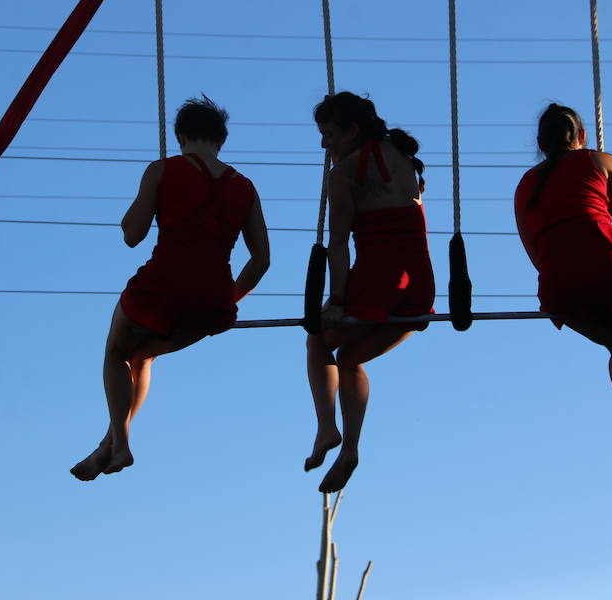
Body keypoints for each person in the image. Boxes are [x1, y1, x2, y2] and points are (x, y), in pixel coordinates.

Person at [70, 96, 269, 481]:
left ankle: (122, 444)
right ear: (221, 140)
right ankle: (107, 444)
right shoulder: (244, 187)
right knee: (143, 358)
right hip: (212, 299)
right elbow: (261, 260)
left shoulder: (163, 170)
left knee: (117, 351)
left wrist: (143, 198)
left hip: (163, 283)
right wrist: (229, 298)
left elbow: (132, 235)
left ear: (180, 136)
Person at [514, 103, 612, 481]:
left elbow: (533, 251)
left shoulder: (524, 185)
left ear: (540, 143)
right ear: (581, 136)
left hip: (559, 283)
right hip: (611, 263)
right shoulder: (603, 162)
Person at [305, 92, 435, 493]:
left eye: (328, 135)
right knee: (352, 357)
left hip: (380, 277)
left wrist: (339, 302)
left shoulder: (343, 173)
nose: (324, 145)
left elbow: (339, 245)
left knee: (317, 339)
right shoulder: (401, 156)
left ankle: (327, 428)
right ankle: (350, 451)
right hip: (420, 284)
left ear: (352, 131)